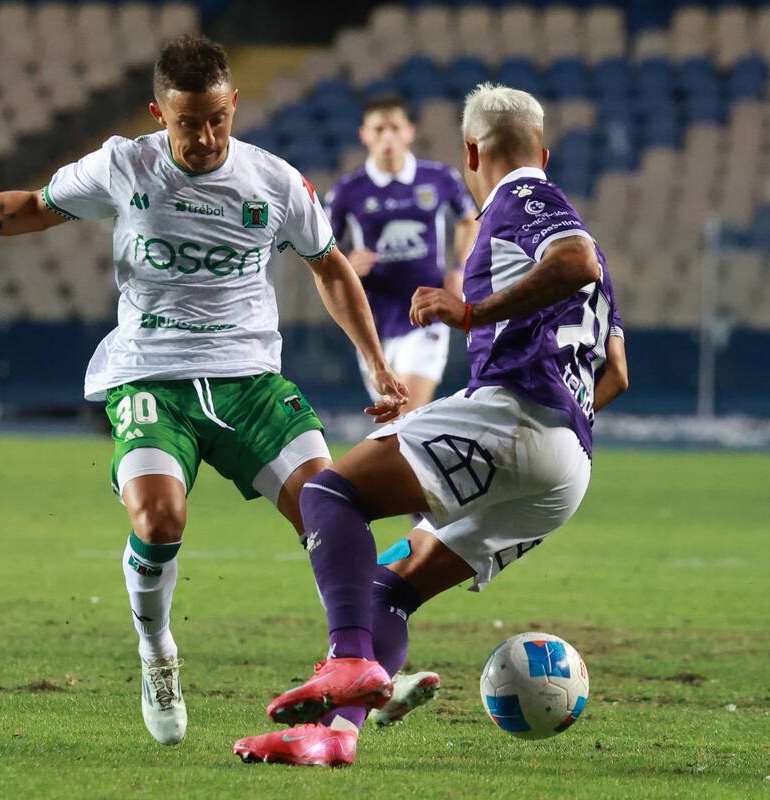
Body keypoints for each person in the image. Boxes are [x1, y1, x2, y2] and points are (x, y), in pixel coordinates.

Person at [0, 34, 406, 746]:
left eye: (217, 119)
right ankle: (157, 651)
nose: (203, 137)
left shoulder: (276, 182)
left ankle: (361, 663)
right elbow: (31, 207)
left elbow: (331, 268)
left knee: (333, 512)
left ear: (234, 104)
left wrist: (376, 365)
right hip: (148, 375)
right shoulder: (123, 165)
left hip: (250, 381)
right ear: (157, 113)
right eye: (186, 122)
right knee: (159, 520)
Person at [234, 83, 630, 767]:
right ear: (544, 147)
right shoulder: (575, 234)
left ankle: (349, 660)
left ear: (471, 151)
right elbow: (617, 373)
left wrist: (472, 314)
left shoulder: (524, 200)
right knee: (391, 587)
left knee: (329, 493)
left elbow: (574, 262)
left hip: (516, 416)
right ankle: (336, 735)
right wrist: (554, 429)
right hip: (569, 466)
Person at [326, 95, 478, 413]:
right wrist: (347, 265)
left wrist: (460, 267)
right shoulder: (346, 192)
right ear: (364, 135)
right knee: (396, 422)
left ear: (409, 131)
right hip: (372, 321)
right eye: (378, 129)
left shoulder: (439, 178)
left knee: (404, 409)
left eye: (394, 127)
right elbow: (321, 250)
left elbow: (469, 221)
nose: (387, 136)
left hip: (425, 313)